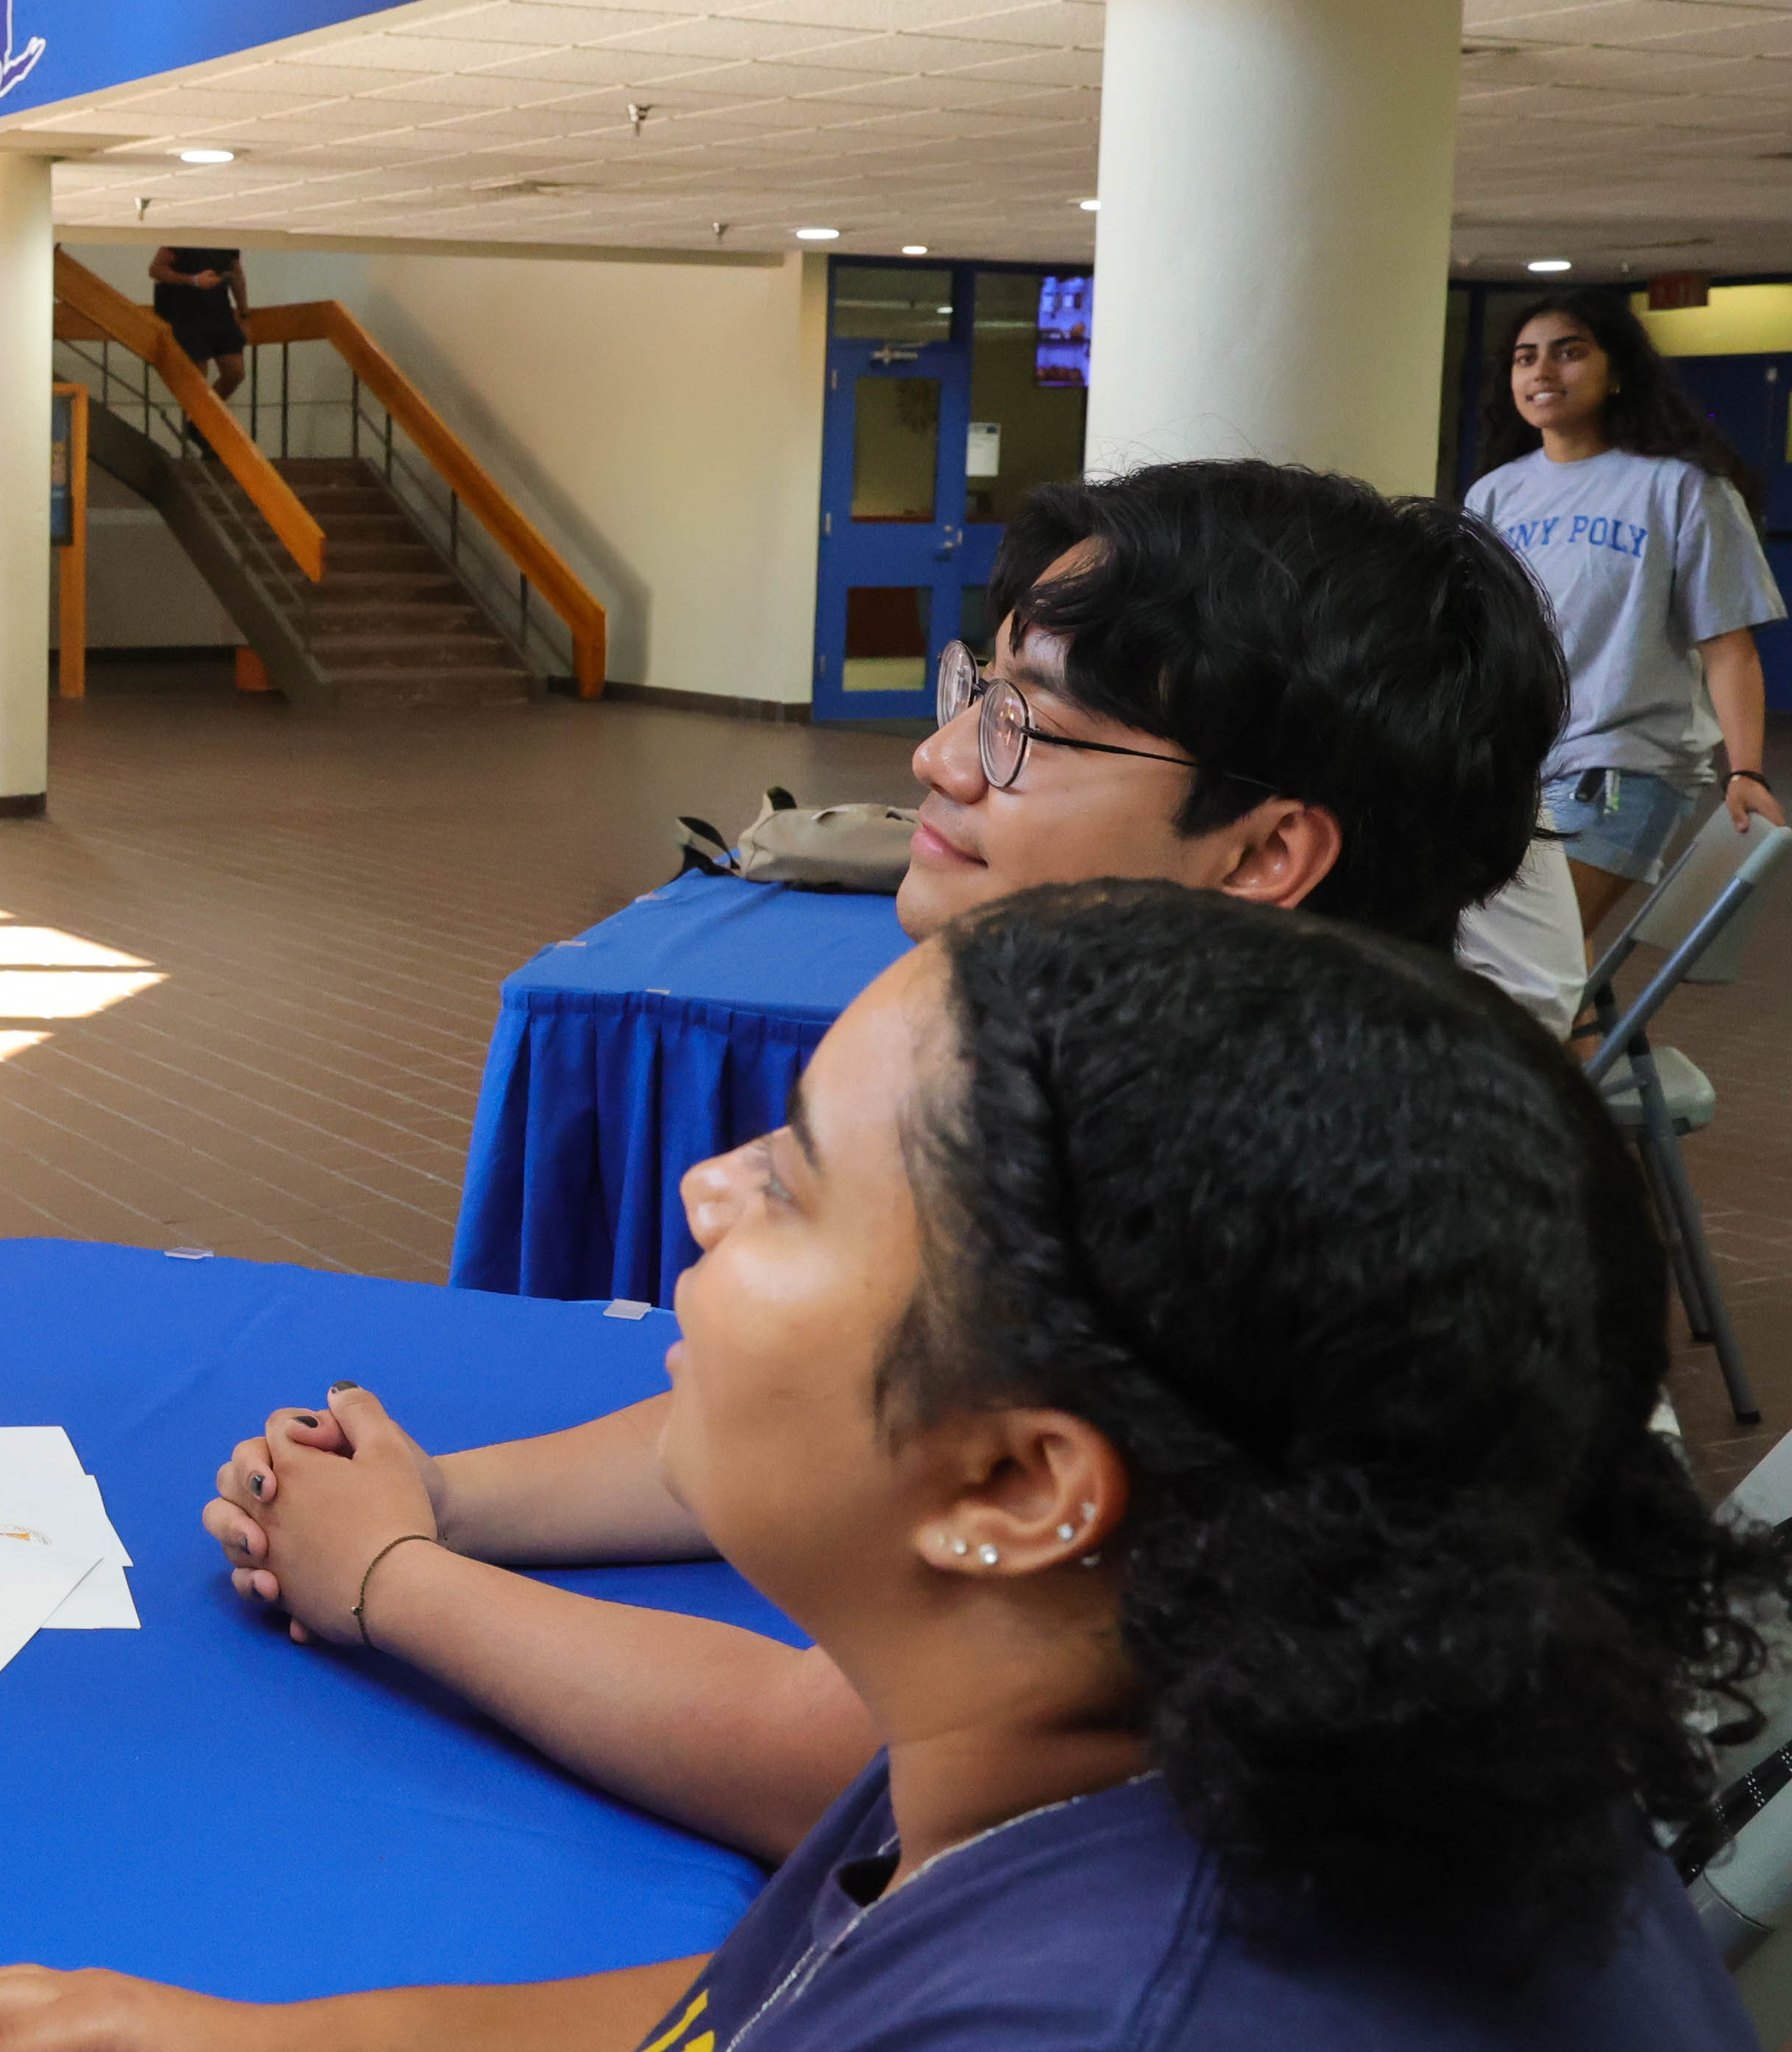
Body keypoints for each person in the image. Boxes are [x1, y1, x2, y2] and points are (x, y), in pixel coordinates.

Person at [0, 888, 1792, 2052]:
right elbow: (815, 2023)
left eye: (791, 1186)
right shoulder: (1196, 1728)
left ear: (1012, 1489)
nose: (706, 1192)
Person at [204, 459, 1570, 1859]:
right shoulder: (1152, 1081)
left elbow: (837, 1765)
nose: (942, 757)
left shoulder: (1257, 1219)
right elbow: (835, 1401)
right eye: (976, 692)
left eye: (1030, 726)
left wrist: (390, 1575)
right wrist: (444, 1493)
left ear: (1264, 848)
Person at [1465, 286, 1787, 937]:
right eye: (1526, 358)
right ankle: (1580, 1044)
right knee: (1533, 967)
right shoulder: (1496, 494)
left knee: (1528, 951)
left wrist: (1746, 768)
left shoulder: (1681, 489)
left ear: (1617, 373)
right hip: (1514, 763)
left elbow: (1730, 647)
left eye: (1569, 352)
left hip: (1624, 763)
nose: (1543, 372)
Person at [149, 248, 247, 398]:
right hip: (184, 313)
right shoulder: (183, 236)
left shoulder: (227, 239)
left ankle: (198, 421)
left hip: (219, 310)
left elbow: (236, 274)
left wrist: (244, 314)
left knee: (235, 372)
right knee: (198, 377)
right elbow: (156, 270)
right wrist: (193, 280)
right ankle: (200, 419)